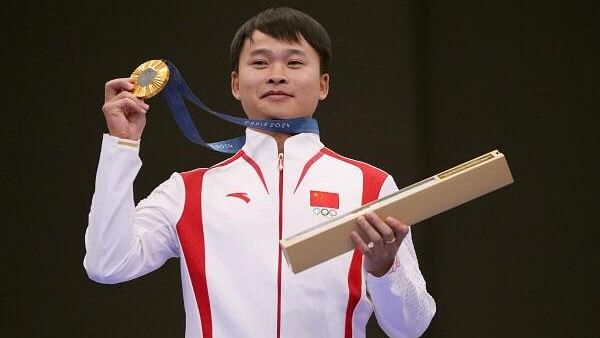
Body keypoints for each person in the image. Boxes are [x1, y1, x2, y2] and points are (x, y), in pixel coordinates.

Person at [84, 7, 435, 338]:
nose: (277, 75)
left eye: (295, 63)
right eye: (261, 62)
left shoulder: (370, 187)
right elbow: (108, 264)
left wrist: (386, 268)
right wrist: (121, 147)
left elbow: (411, 327)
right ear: (236, 83)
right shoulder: (188, 192)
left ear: (323, 84)